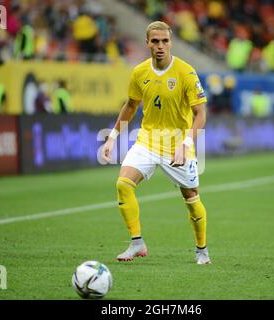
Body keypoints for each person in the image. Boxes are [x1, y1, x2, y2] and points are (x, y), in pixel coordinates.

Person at [101, 21, 211, 265]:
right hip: (147, 140)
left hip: (177, 143)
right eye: (155, 41)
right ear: (147, 43)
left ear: (170, 42)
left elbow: (200, 113)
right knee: (123, 184)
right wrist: (111, 137)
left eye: (165, 41)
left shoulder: (185, 72)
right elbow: (130, 106)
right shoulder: (140, 72)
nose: (160, 46)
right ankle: (137, 242)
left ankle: (202, 250)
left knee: (191, 198)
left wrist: (186, 144)